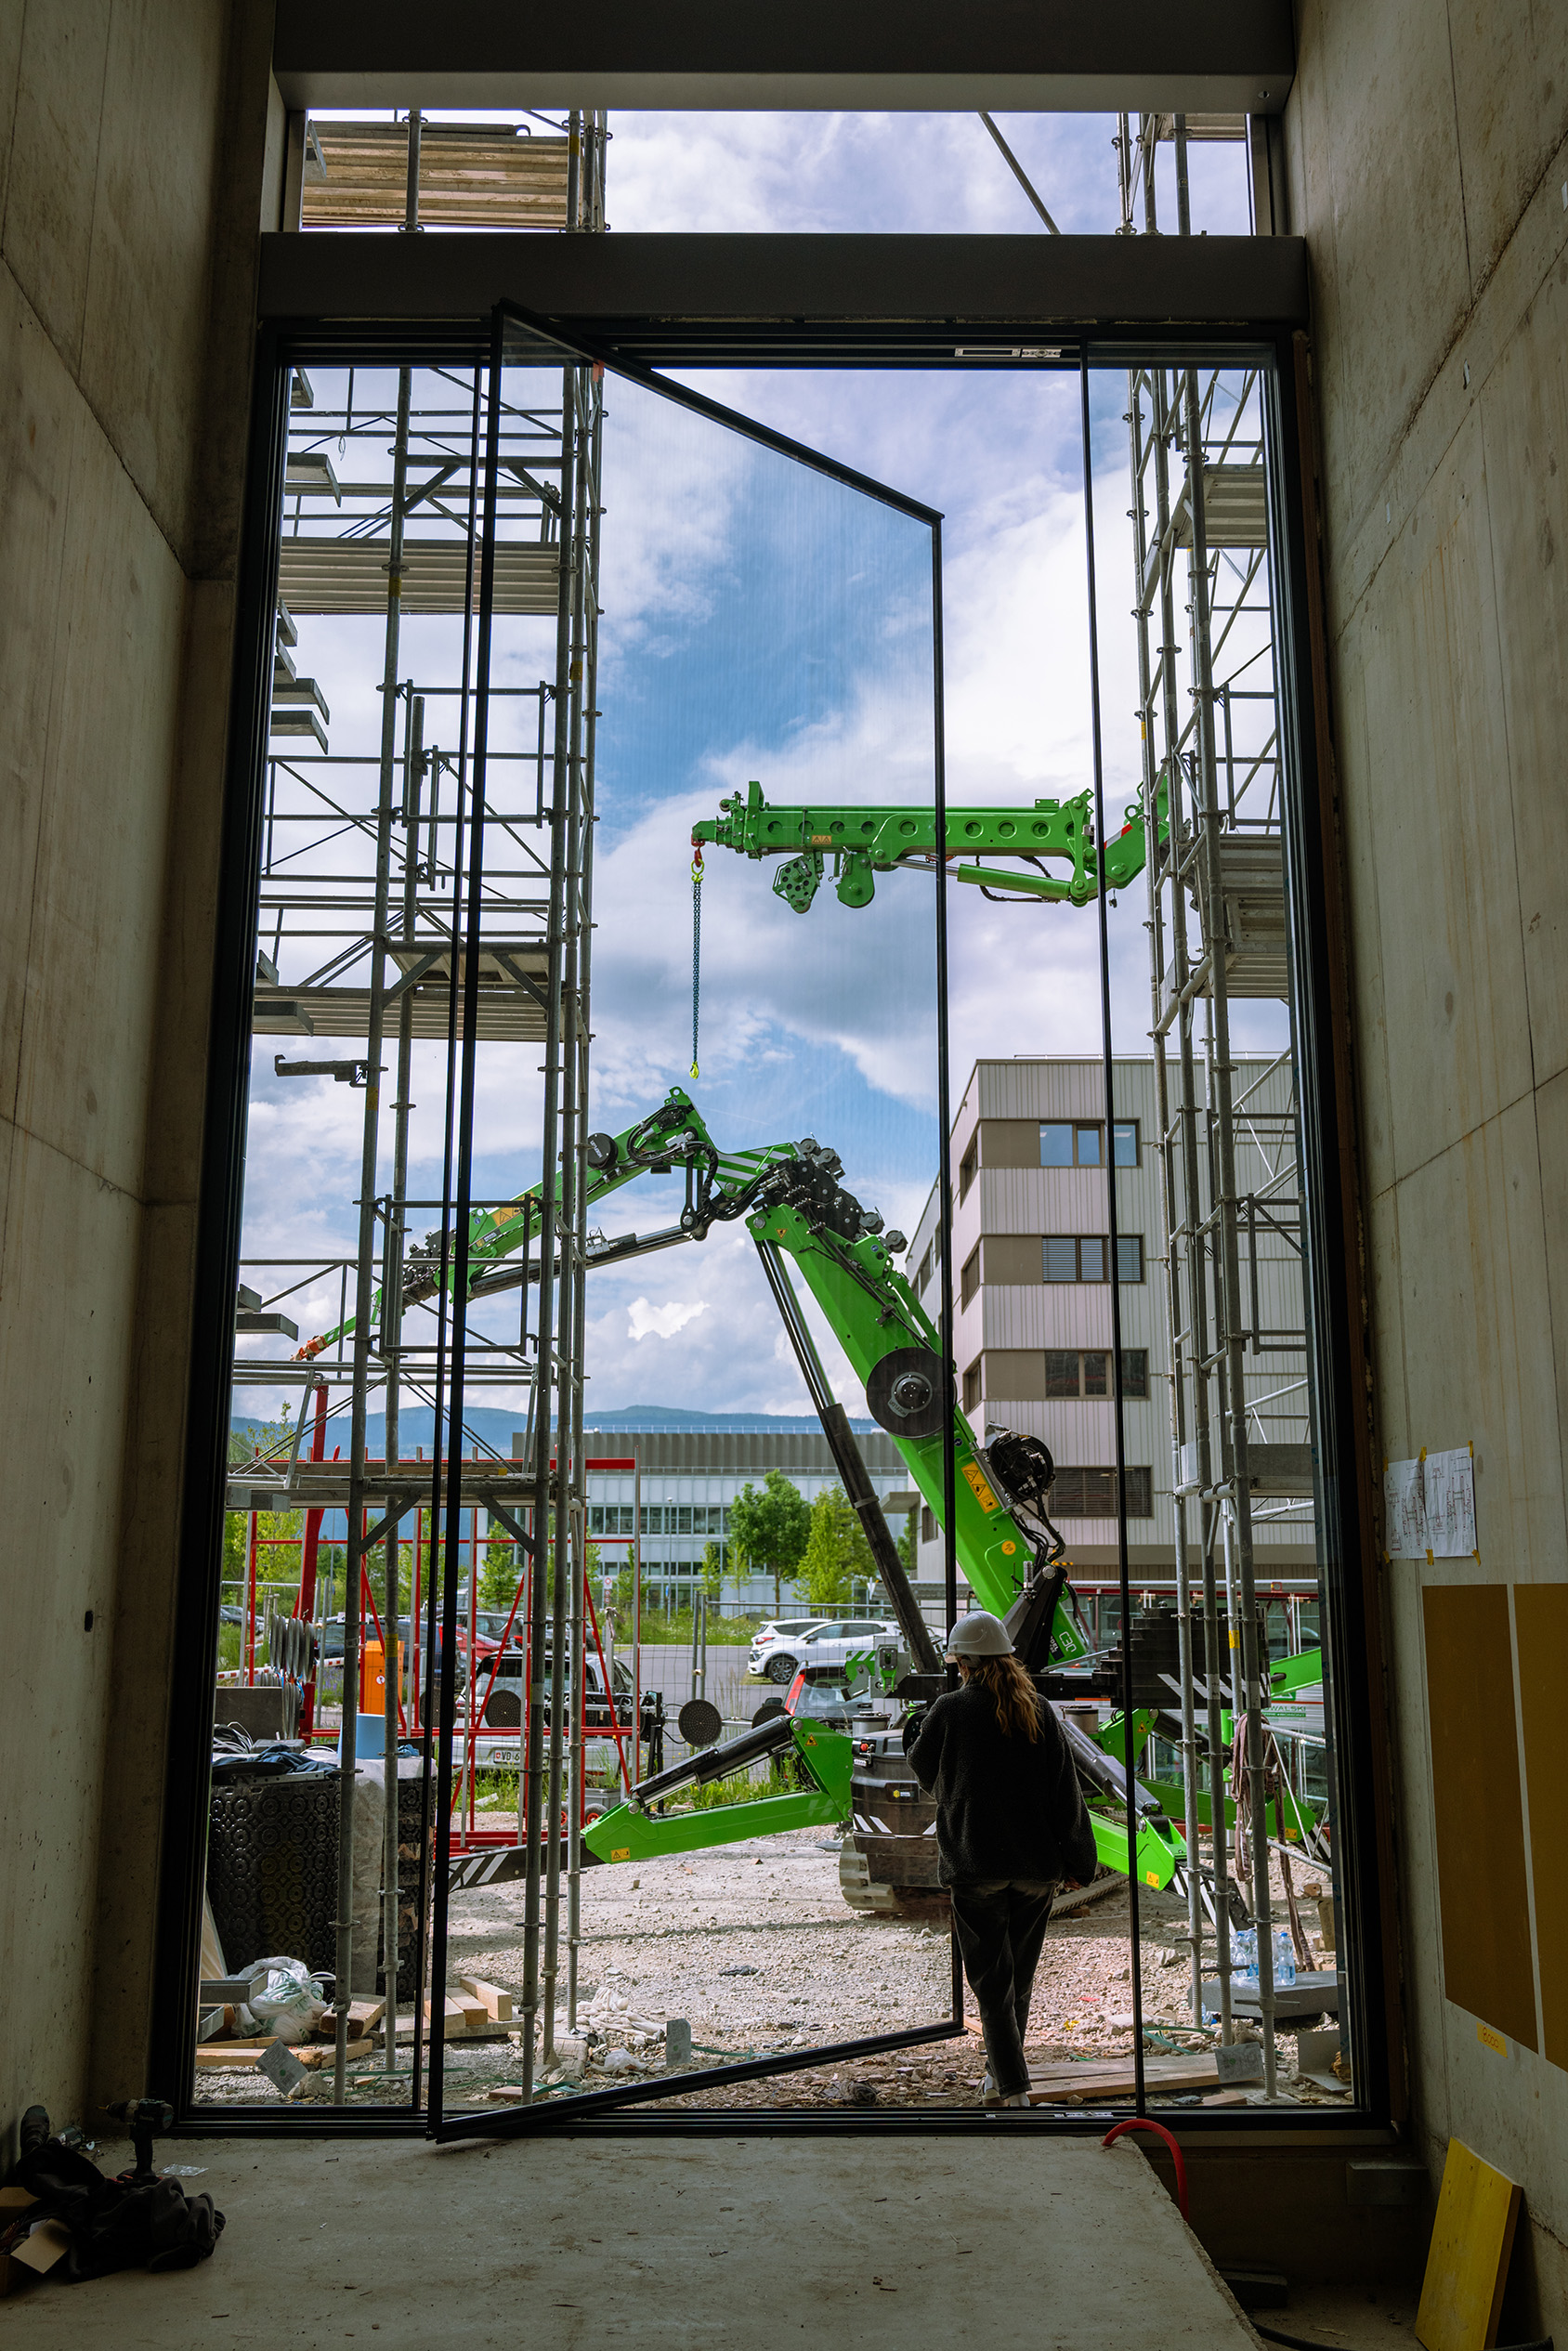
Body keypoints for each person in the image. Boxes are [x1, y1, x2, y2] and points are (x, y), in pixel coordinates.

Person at [904, 1611, 1097, 2109]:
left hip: (976, 1866)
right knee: (1018, 1978)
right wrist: (1080, 1862)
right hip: (1035, 1868)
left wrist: (917, 1739)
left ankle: (1012, 2087)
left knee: (992, 1981)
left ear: (963, 1662)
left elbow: (932, 1781)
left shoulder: (949, 1710)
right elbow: (1066, 1796)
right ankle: (999, 2076)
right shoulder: (1038, 1711)